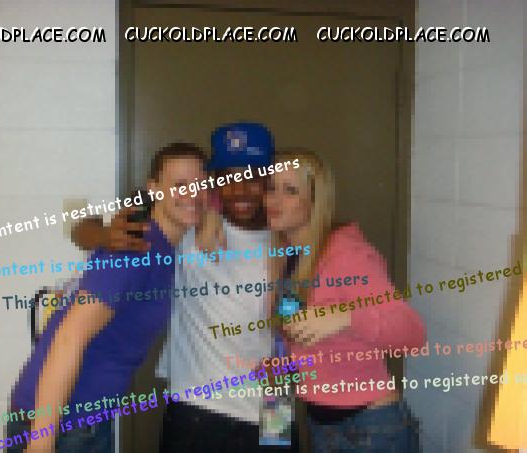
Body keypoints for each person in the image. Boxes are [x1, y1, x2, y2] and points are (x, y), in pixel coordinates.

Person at [72, 122, 295, 452]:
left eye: (252, 178)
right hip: (197, 411)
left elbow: (289, 329)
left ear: (268, 181)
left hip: (274, 406)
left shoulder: (287, 244)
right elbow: (82, 229)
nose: (241, 190)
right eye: (229, 178)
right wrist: (108, 236)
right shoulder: (189, 227)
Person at [7, 142, 208, 452]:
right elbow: (69, 338)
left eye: (200, 184)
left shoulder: (161, 242)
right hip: (60, 424)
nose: (192, 194)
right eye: (180, 184)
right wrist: (42, 441)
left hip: (83, 419)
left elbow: (85, 228)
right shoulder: (135, 249)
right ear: (154, 188)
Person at [263, 149, 426, 452]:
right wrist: (275, 420)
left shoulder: (347, 254)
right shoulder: (287, 253)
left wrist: (346, 317)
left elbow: (412, 333)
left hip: (371, 429)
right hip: (322, 426)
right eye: (271, 188)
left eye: (290, 190)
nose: (274, 200)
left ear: (315, 200)